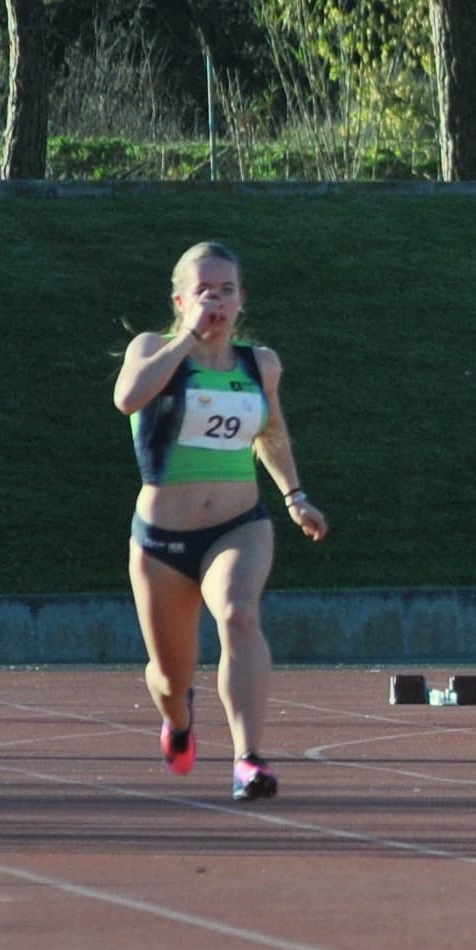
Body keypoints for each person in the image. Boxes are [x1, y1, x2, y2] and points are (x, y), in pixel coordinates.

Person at [115, 241, 327, 796]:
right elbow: (128, 398)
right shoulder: (152, 349)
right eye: (204, 290)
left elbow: (271, 432)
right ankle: (178, 719)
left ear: (241, 301)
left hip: (238, 525)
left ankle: (249, 759)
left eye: (226, 290)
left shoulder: (261, 364)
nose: (216, 300)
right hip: (161, 542)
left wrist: (295, 496)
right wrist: (188, 337)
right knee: (170, 677)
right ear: (181, 300)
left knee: (239, 615)